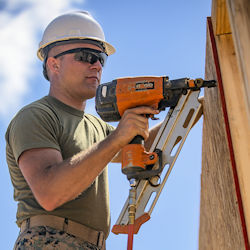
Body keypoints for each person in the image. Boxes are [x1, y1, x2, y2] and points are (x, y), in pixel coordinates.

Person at [5, 11, 160, 250]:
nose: (97, 65)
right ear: (54, 64)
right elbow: (49, 193)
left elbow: (144, 145)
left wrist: (193, 106)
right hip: (48, 240)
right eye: (86, 56)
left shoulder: (96, 127)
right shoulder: (36, 116)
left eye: (101, 58)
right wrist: (118, 137)